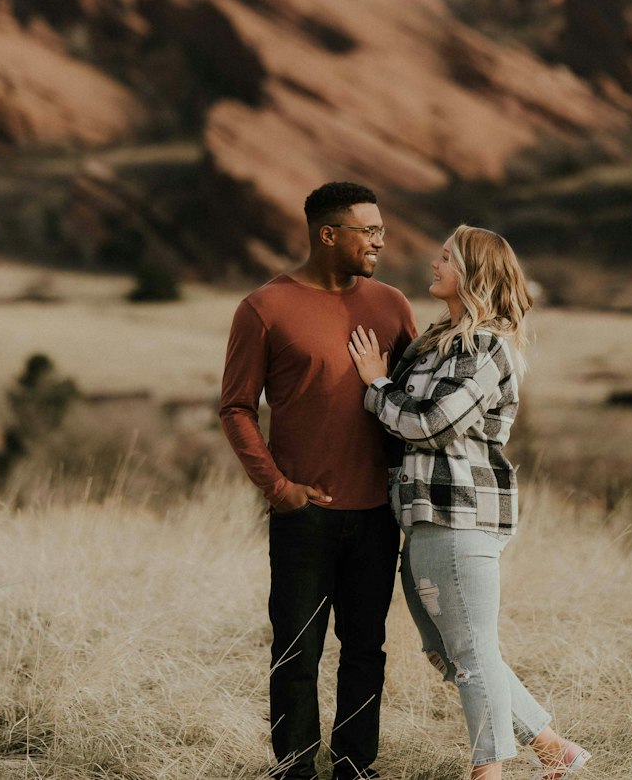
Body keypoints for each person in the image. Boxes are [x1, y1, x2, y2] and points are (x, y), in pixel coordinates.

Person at [349, 225, 591, 780]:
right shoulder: (438, 339)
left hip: (459, 513)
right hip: (421, 515)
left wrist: (375, 384)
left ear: (475, 275)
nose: (434, 264)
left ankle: (489, 772)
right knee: (447, 649)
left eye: (447, 257)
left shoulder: (488, 345)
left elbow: (431, 424)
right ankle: (555, 750)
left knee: (472, 650)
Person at [219, 181, 417, 780]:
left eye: (381, 230)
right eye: (369, 231)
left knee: (365, 650)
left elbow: (415, 400)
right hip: (304, 515)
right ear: (329, 234)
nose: (381, 240)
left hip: (377, 513)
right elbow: (235, 407)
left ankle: (357, 767)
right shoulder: (264, 307)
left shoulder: (391, 304)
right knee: (296, 652)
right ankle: (295, 769)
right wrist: (279, 489)